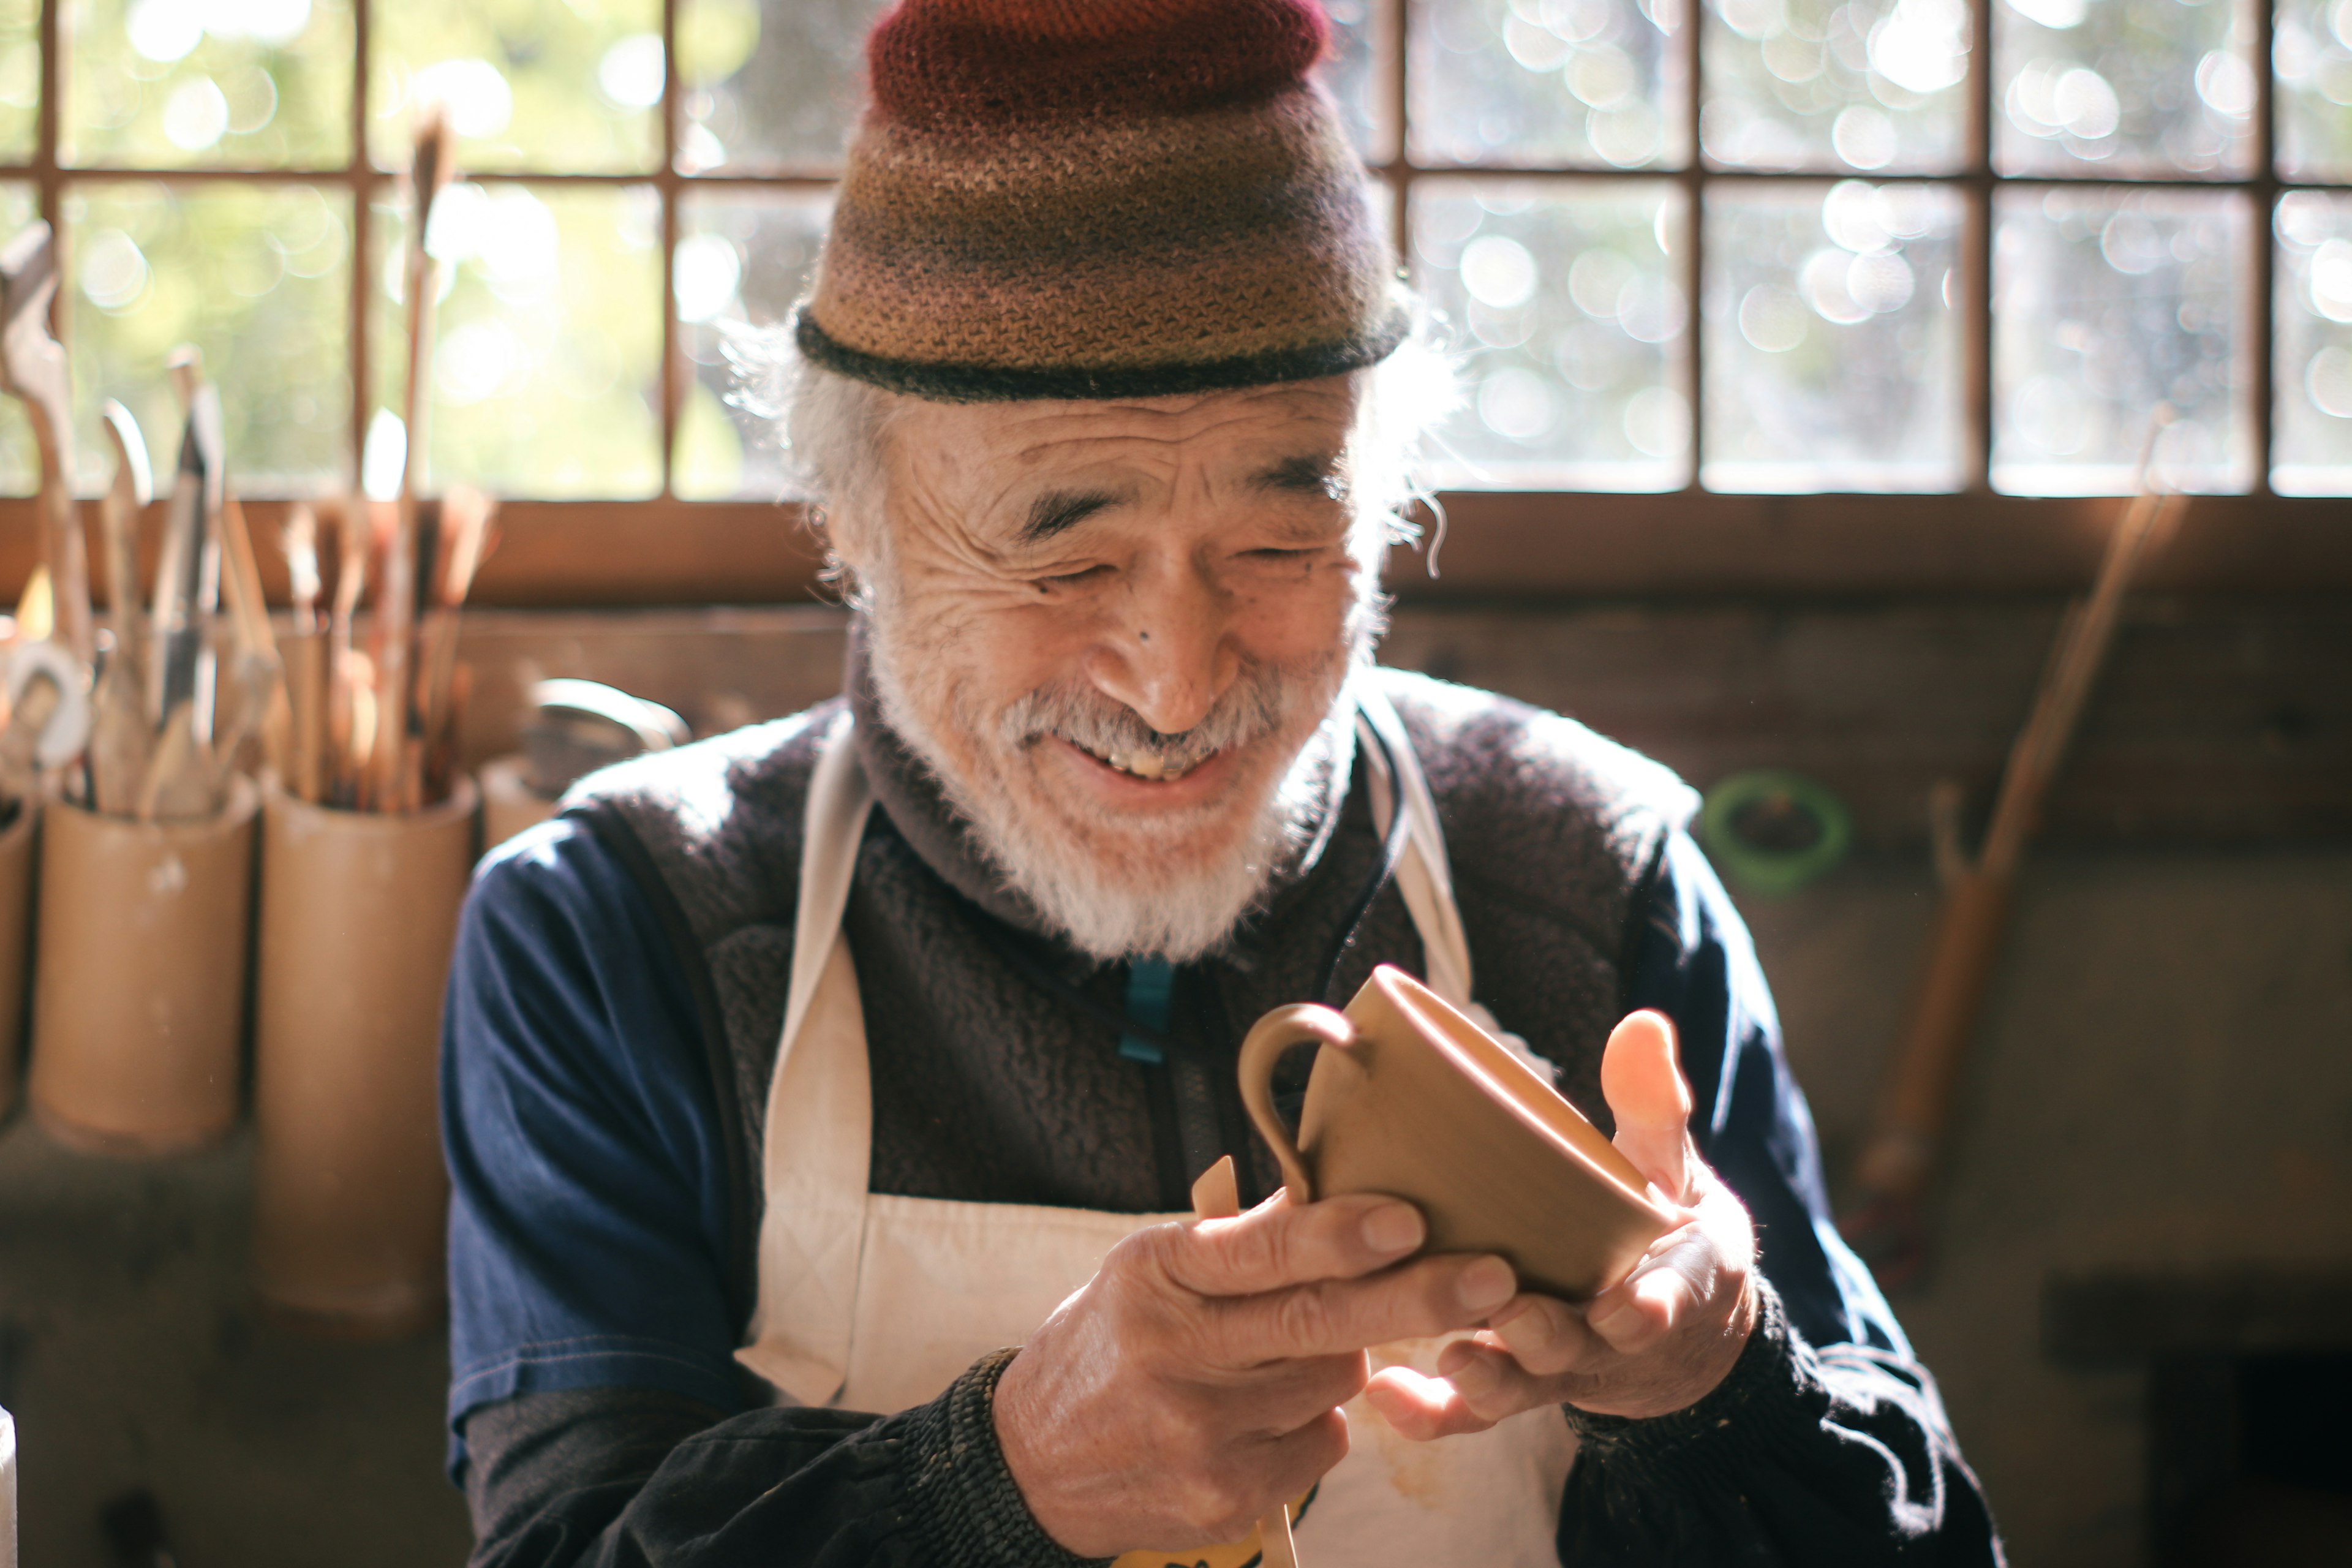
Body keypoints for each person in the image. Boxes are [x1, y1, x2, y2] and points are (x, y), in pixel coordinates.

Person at [442, 2, 2003, 1563]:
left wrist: (1716, 1382)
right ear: (853, 528)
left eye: (1275, 546)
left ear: (1382, 513)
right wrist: (997, 1479)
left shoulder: (1593, 877)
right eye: (1068, 556)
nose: (1178, 684)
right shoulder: (622, 929)